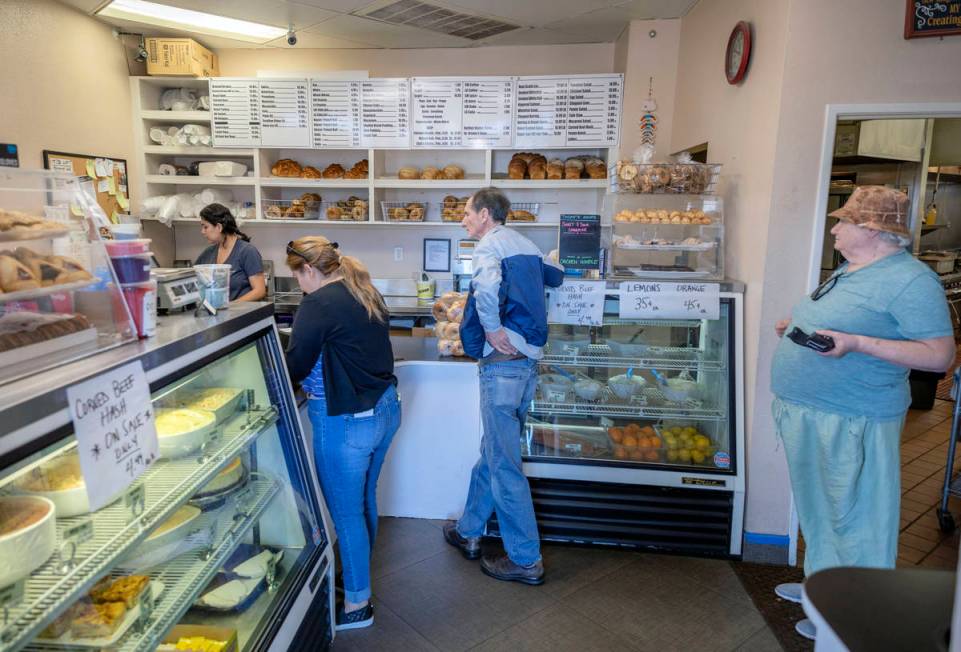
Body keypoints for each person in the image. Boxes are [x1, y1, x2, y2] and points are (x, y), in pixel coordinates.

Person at [770, 185, 954, 640]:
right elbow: (849, 321)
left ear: (871, 230)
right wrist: (796, 327)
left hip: (854, 417)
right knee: (821, 508)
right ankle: (823, 586)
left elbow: (939, 356)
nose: (834, 228)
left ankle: (853, 617)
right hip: (814, 411)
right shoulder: (856, 268)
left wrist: (855, 344)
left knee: (857, 516)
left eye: (842, 221)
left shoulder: (911, 281)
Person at [443, 187, 563, 585]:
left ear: (485, 215)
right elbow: (557, 277)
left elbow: (488, 289)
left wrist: (492, 330)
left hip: (503, 366)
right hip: (528, 365)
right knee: (494, 451)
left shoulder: (489, 246)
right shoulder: (527, 244)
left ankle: (526, 559)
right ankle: (469, 531)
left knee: (505, 465)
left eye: (467, 213)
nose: (464, 219)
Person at [284, 236, 400, 631]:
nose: (299, 283)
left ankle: (357, 606)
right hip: (385, 409)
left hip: (346, 420)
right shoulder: (362, 289)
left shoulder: (318, 303)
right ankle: (356, 576)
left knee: (346, 515)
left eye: (297, 275)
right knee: (365, 499)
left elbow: (296, 364)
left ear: (310, 270)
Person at [195, 203, 266, 302]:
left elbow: (259, 291)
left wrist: (231, 307)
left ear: (219, 227)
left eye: (205, 227)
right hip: (217, 315)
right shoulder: (207, 254)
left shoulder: (247, 252)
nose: (202, 231)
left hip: (242, 314)